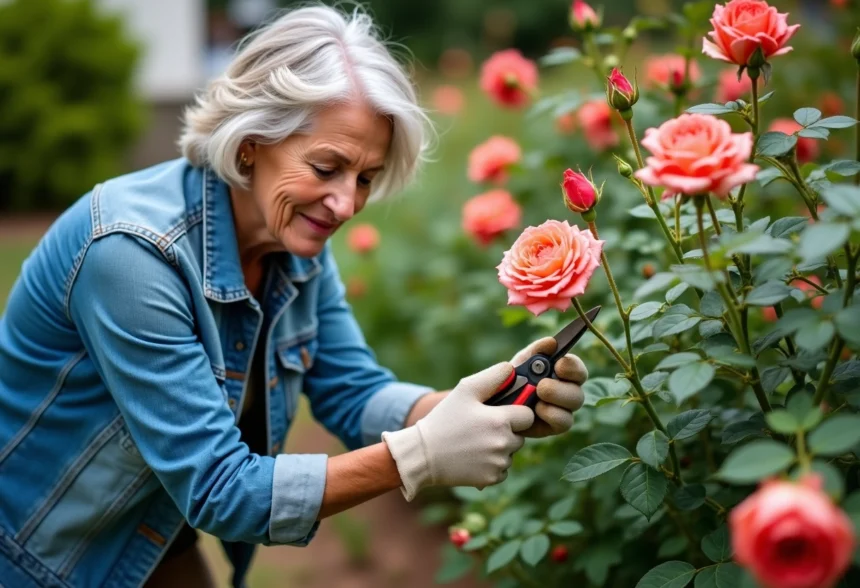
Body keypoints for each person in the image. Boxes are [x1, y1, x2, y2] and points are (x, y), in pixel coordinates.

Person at [0, 5, 589, 587]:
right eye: (326, 166)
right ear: (251, 140)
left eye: (364, 177)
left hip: (144, 532)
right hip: (38, 557)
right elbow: (220, 491)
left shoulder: (290, 240)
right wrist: (415, 456)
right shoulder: (133, 256)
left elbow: (353, 391)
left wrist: (481, 408)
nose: (346, 205)